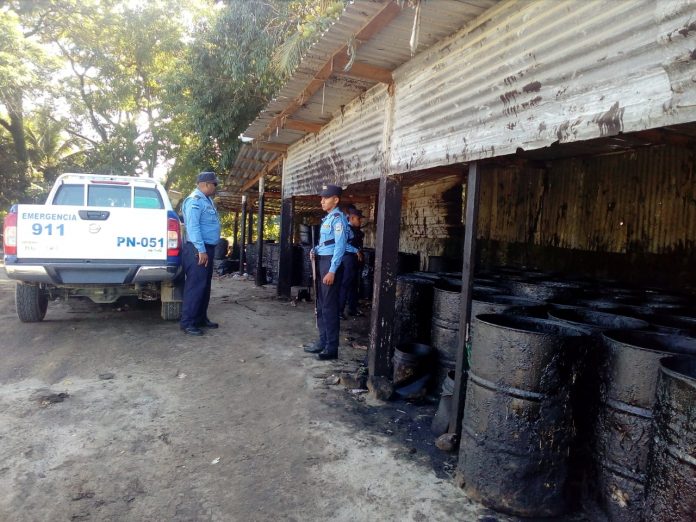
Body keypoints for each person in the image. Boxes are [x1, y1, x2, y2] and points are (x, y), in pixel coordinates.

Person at [304, 184, 348, 360]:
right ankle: (323, 341)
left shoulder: (339, 219)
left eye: (326, 197)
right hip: (322, 261)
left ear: (335, 199)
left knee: (329, 308)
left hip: (330, 265)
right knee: (321, 305)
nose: (322, 200)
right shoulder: (328, 218)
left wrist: (332, 270)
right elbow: (327, 243)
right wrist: (315, 249)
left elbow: (340, 246)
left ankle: (332, 348)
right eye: (321, 197)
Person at [179, 171, 222, 336]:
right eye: (214, 184)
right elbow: (193, 227)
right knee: (195, 286)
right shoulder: (194, 201)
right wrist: (201, 250)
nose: (215, 187)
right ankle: (188, 322)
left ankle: (200, 318)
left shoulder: (207, 201)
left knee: (204, 286)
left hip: (206, 249)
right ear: (205, 184)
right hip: (197, 250)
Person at [339, 207, 364, 319]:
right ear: (352, 218)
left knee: (354, 285)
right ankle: (339, 311)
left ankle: (352, 309)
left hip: (354, 261)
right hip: (348, 259)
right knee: (345, 285)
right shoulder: (347, 229)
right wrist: (356, 251)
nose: (360, 221)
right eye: (359, 219)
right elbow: (342, 244)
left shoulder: (356, 230)